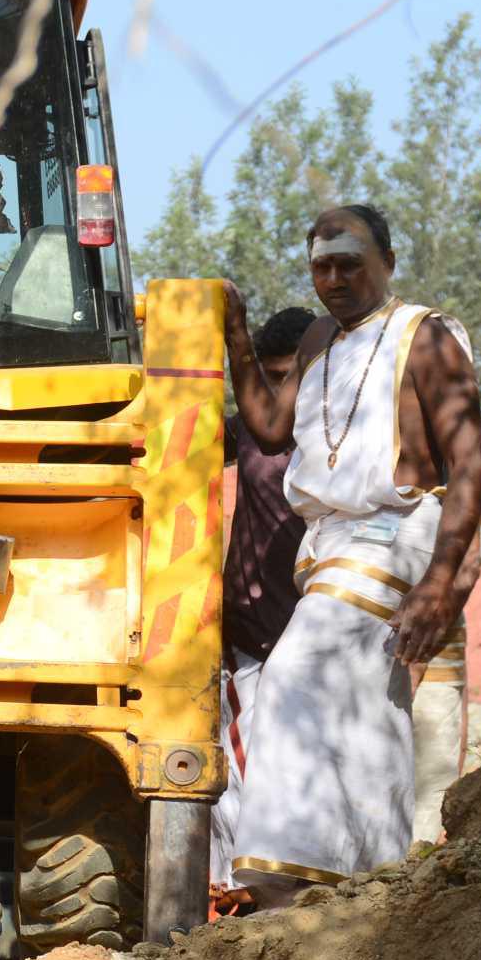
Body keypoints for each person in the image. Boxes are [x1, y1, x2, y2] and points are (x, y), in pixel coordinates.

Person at [211, 205, 481, 906]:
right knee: (374, 705)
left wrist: (441, 584)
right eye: (321, 267)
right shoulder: (317, 339)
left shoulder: (425, 336)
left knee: (294, 675)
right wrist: (237, 334)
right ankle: (368, 876)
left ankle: (288, 884)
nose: (334, 279)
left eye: (349, 265)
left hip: (398, 532)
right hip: (332, 545)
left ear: (386, 263)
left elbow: (470, 466)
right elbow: (269, 428)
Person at [211, 307, 318, 895]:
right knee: (243, 766)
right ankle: (238, 893)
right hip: (252, 631)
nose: (281, 395)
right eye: (270, 378)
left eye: (290, 378)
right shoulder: (252, 428)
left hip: (316, 630)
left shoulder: (340, 432)